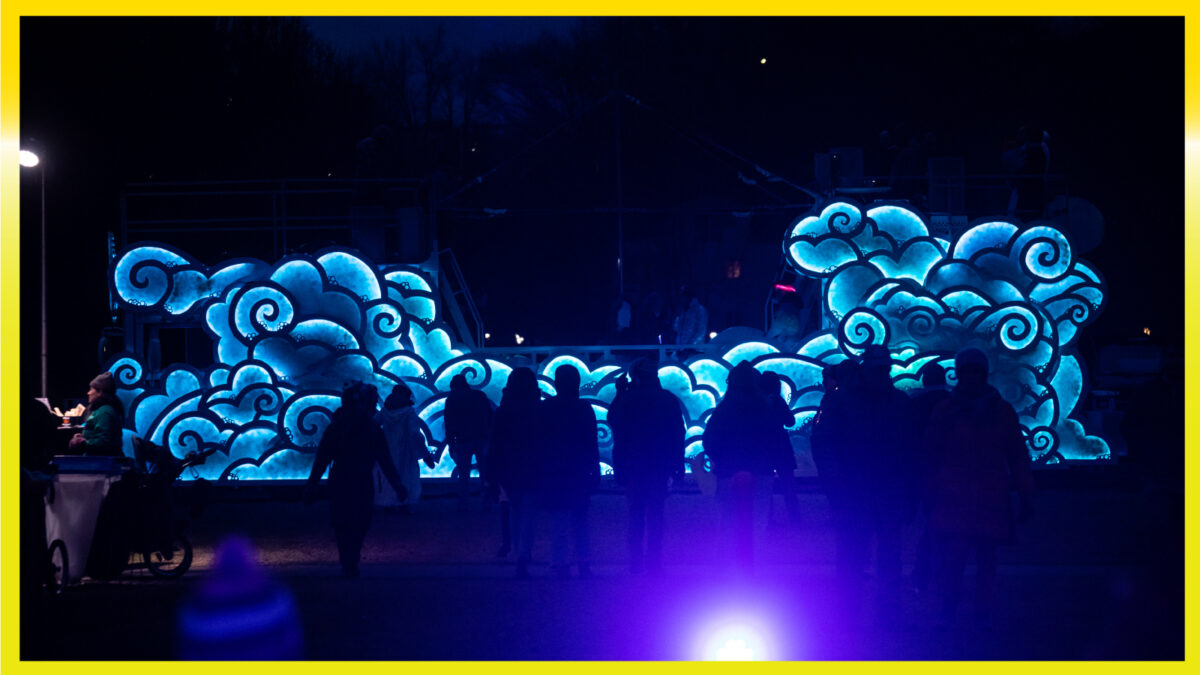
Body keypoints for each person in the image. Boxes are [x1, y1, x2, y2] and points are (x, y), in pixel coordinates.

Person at [925, 348, 1034, 629]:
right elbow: (1017, 456)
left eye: (976, 371)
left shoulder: (954, 410)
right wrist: (1025, 494)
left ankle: (967, 614)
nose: (972, 376)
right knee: (962, 561)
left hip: (972, 498)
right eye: (968, 371)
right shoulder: (994, 410)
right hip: (972, 497)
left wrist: (1026, 493)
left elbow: (1017, 455)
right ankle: (960, 613)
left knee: (971, 561)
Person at [305, 383, 407, 578]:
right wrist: (397, 485)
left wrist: (311, 486)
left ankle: (348, 560)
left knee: (342, 523)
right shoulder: (370, 428)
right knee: (359, 522)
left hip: (340, 480)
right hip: (361, 480)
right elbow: (384, 459)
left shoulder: (336, 427)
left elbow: (322, 459)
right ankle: (352, 559)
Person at [608, 358, 686, 575]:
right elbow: (678, 433)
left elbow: (614, 422)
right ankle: (654, 561)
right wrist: (678, 464)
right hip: (659, 465)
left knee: (635, 513)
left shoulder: (627, 399)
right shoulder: (667, 400)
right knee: (656, 514)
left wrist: (620, 392)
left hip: (633, 464)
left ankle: (635, 562)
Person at [703, 362, 776, 573]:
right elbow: (773, 440)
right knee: (757, 524)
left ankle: (726, 570)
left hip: (728, 474)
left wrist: (726, 462)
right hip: (761, 473)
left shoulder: (724, 410)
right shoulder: (764, 408)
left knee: (728, 523)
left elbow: (710, 441)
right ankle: (755, 570)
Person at [539, 365, 600, 578]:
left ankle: (560, 563)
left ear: (557, 383)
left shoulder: (546, 407)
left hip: (554, 471)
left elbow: (540, 441)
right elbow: (592, 442)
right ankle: (583, 563)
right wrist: (595, 470)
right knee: (580, 519)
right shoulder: (584, 408)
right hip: (579, 470)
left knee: (558, 519)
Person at [486, 367, 545, 577]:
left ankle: (516, 550)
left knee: (514, 509)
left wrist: (491, 475)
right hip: (533, 466)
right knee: (530, 510)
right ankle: (524, 552)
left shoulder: (503, 411)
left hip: (508, 467)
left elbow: (494, 444)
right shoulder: (539, 410)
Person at [907, 362, 953, 592]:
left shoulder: (913, 404)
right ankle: (945, 576)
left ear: (924, 379)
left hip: (921, 471)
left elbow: (906, 439)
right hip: (952, 473)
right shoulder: (955, 404)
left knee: (927, 522)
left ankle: (922, 575)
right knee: (949, 525)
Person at [375, 384, 434, 512]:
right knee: (406, 475)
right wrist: (425, 454)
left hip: (387, 448)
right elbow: (415, 434)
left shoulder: (384, 411)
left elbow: (374, 424)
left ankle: (388, 503)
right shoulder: (408, 412)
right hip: (406, 450)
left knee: (388, 475)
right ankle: (403, 504)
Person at [443, 374, 494, 509]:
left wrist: (450, 443)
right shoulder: (479, 395)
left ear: (453, 385)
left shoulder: (452, 398)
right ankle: (487, 498)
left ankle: (463, 502)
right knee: (484, 471)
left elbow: (449, 422)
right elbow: (489, 416)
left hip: (463, 440)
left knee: (463, 473)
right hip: (481, 438)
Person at [758, 370, 800, 526]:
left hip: (764, 449)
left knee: (765, 487)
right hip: (781, 447)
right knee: (788, 486)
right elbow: (790, 421)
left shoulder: (757, 401)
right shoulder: (778, 401)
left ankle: (768, 520)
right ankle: (795, 519)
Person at [68, 371, 125, 456]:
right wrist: (83, 437)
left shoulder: (105, 412)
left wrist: (83, 443)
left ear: (100, 392)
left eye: (91, 389)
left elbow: (104, 442)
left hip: (102, 463)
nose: (88, 393)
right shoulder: (101, 410)